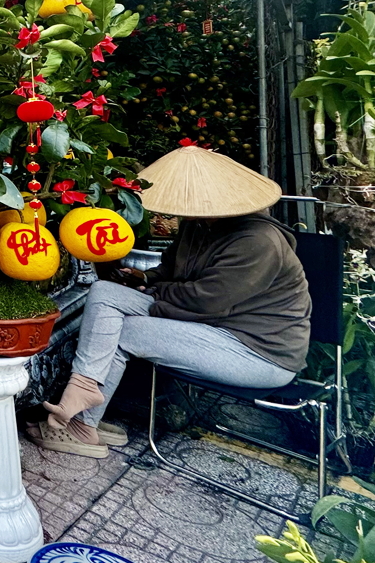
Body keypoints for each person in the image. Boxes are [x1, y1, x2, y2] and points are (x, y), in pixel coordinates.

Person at [30, 144, 311, 459]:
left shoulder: (258, 242)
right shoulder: (200, 221)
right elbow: (173, 266)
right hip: (209, 322)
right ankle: (82, 395)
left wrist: (153, 295)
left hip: (256, 351)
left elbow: (206, 302)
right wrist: (146, 279)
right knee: (104, 292)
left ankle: (82, 423)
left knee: (123, 332)